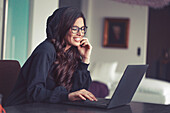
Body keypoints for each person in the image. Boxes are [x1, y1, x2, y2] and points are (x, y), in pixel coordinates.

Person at [4, 7, 97, 106]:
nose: (80, 33)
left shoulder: (71, 52)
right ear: (62, 27)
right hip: (21, 108)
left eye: (82, 29)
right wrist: (67, 96)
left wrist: (85, 59)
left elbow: (79, 92)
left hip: (47, 107)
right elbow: (34, 92)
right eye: (75, 28)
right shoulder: (46, 50)